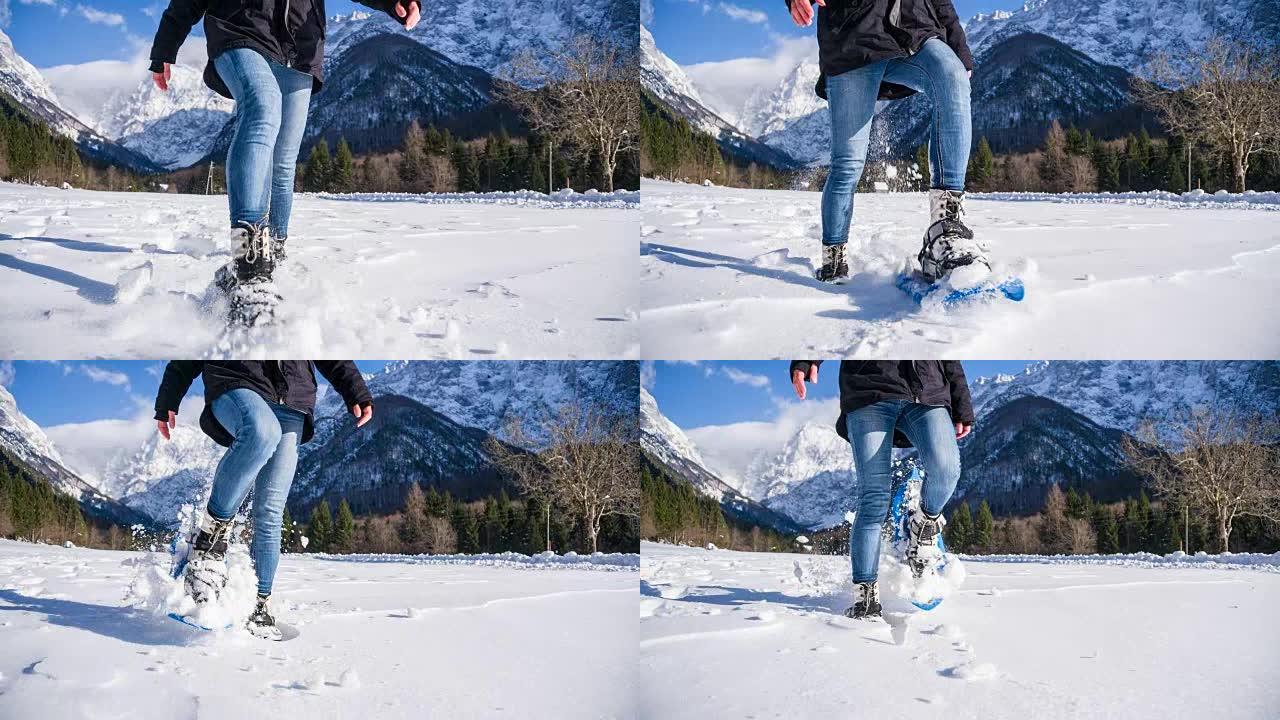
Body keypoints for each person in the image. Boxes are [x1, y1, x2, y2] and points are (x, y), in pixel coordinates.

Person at [147, 1, 423, 323]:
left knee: (283, 159)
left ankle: (273, 255)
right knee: (262, 109)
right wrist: (164, 47)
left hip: (299, 47)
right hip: (241, 28)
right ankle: (249, 259)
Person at [153, 361, 374, 639]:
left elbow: (327, 346)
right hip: (236, 379)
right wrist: (169, 397)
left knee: (270, 512)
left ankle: (257, 602)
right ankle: (208, 543)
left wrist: (356, 391)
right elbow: (196, 340)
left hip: (293, 399)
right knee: (261, 432)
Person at [786, 0, 987, 285]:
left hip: (913, 32)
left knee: (952, 76)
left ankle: (946, 231)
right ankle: (834, 257)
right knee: (848, 163)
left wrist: (961, 52)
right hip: (853, 40)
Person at [789, 360, 974, 619]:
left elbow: (948, 351)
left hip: (927, 390)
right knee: (874, 496)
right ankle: (866, 596)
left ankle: (922, 526)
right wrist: (806, 359)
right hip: (868, 389)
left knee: (946, 471)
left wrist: (961, 403)